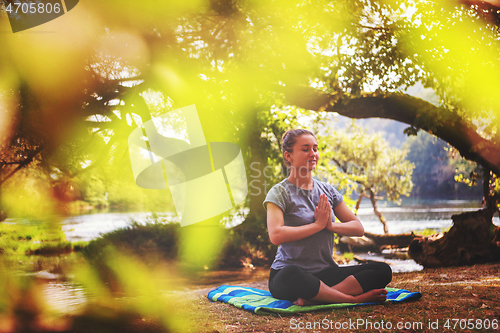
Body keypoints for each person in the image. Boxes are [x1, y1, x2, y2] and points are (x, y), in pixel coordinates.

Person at [263, 129, 392, 305]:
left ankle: (315, 299)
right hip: (290, 275)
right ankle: (351, 299)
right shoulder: (279, 193)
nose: (313, 154)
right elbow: (276, 235)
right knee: (291, 274)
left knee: (383, 270)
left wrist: (330, 226)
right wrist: (316, 226)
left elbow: (358, 228)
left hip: (325, 272)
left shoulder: (327, 191)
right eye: (305, 149)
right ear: (288, 155)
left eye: (315, 149)